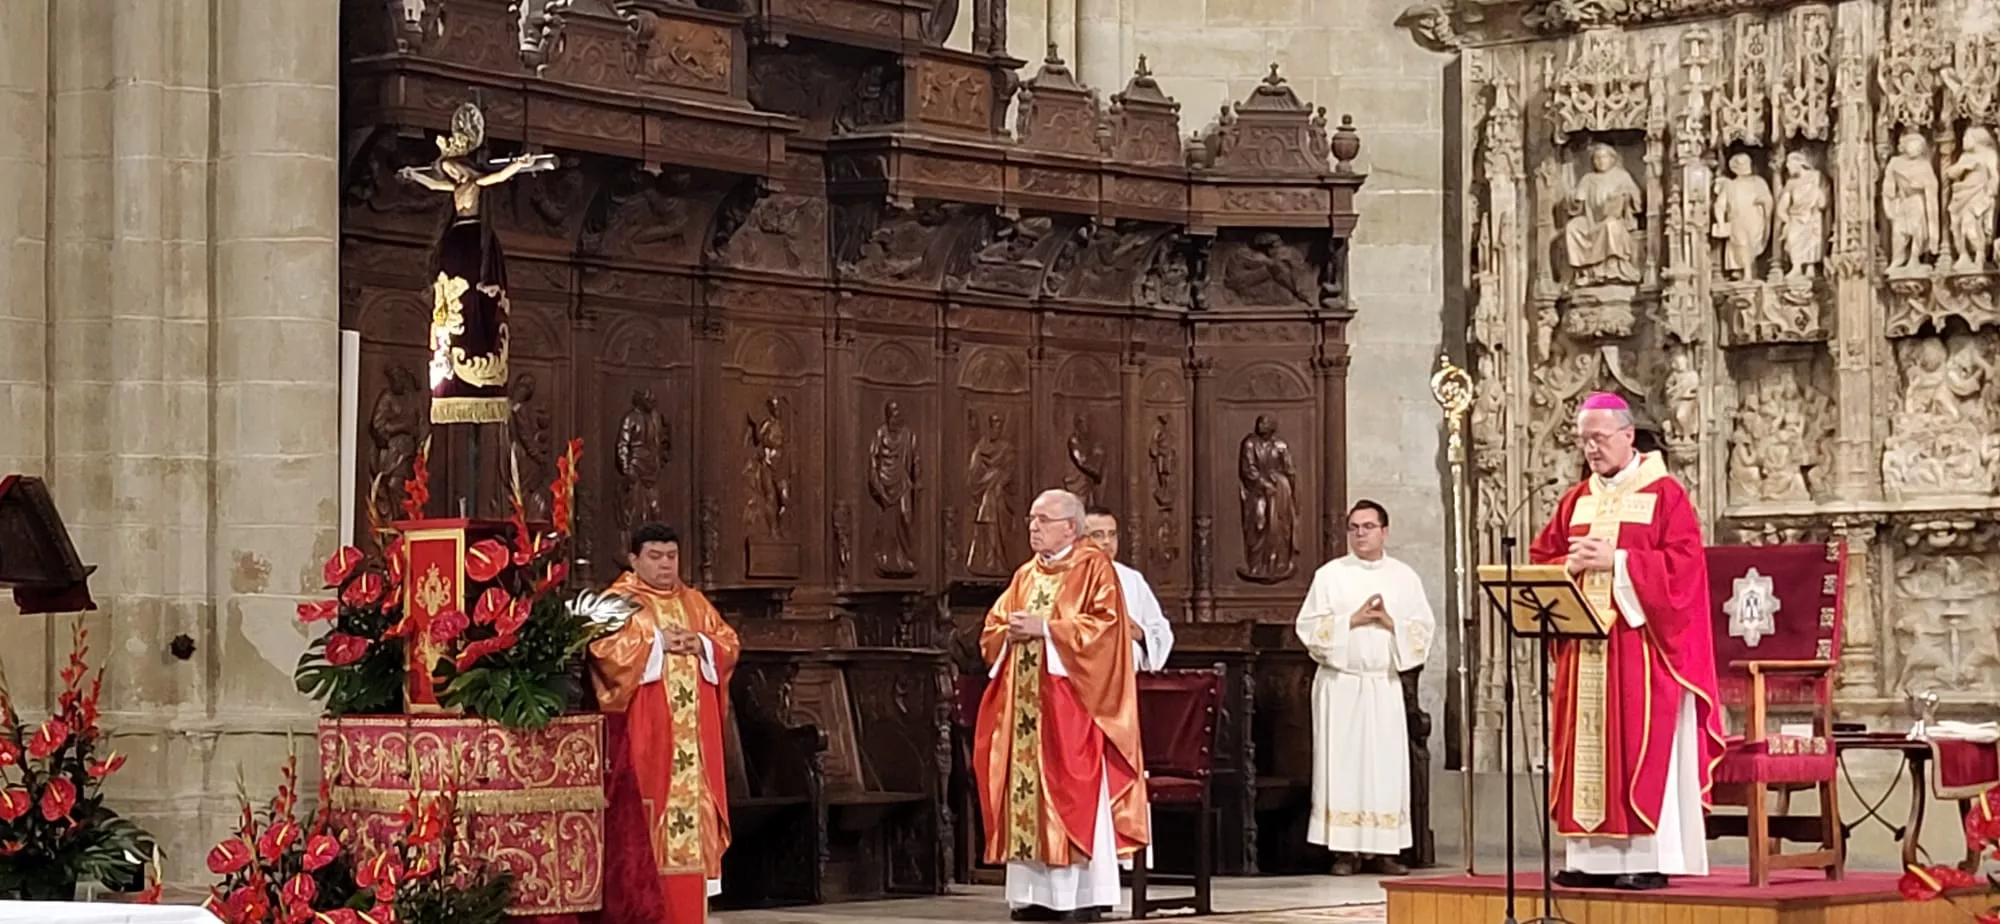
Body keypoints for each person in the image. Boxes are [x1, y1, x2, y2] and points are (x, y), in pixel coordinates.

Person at [1530, 392, 1726, 891]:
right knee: (1585, 754)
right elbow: (1542, 559)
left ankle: (1644, 856)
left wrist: (1617, 562)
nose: (1590, 449)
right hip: (1584, 649)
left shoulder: (1664, 494)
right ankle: (1588, 859)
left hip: (1640, 651)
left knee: (1638, 747)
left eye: (1598, 438)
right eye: (1583, 440)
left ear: (1627, 435)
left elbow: (1686, 569)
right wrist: (1567, 567)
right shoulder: (1577, 500)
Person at [973, 489, 1149, 922]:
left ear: (1070, 526)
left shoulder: (1095, 570)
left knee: (1071, 791)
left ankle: (1080, 897)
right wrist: (1009, 633)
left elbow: (1108, 632)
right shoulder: (1025, 575)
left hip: (1074, 708)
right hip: (1027, 710)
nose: (1033, 526)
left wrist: (1047, 629)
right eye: (1032, 519)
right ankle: (1032, 895)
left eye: (1042, 519)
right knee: (1024, 795)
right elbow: (993, 627)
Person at [586, 523, 741, 922]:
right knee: (644, 832)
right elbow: (603, 649)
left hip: (693, 751)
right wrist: (657, 644)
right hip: (647, 739)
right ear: (634, 560)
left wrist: (701, 645)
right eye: (655, 557)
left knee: (693, 830)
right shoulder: (616, 602)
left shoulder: (695, 603)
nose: (666, 565)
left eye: (671, 556)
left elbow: (728, 643)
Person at [1294, 500, 1436, 876]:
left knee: (1384, 770)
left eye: (1368, 526)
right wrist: (1352, 620)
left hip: (1382, 685)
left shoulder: (1404, 578)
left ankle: (1386, 851)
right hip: (1342, 684)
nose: (1361, 534)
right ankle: (1345, 852)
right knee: (1343, 768)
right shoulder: (1330, 575)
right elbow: (1308, 627)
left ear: (1385, 531)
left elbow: (1423, 630)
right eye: (1354, 527)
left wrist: (1390, 622)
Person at [1082, 506, 1176, 671]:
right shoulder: (1068, 577)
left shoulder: (1132, 579)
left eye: (1112, 534)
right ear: (1080, 540)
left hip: (1127, 672)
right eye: (1098, 535)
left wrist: (1140, 633)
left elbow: (1160, 630)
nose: (1107, 542)